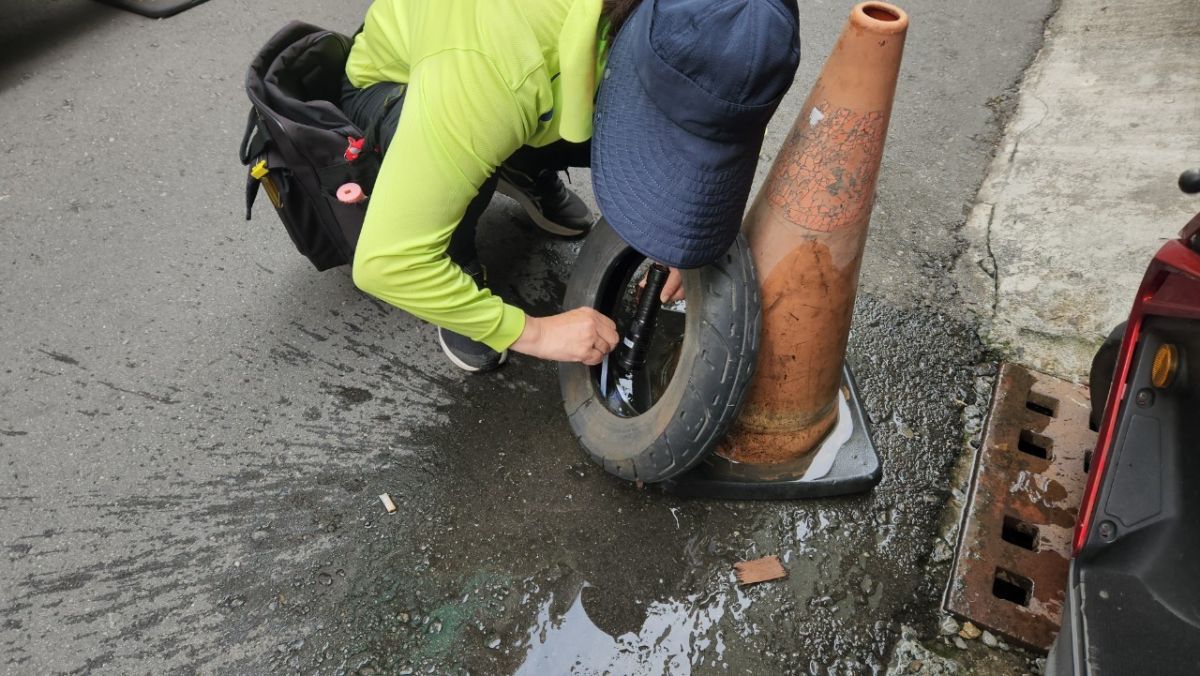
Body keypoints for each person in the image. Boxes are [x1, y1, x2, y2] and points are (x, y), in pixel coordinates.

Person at [344, 0, 799, 372]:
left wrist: (685, 214)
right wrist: (533, 333)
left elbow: (717, 117)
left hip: (527, 77)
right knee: (466, 162)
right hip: (401, 81)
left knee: (579, 117)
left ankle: (519, 162)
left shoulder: (743, 22)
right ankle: (461, 258)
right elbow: (387, 262)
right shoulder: (491, 71)